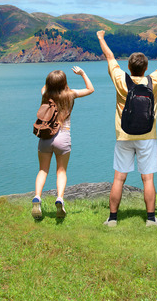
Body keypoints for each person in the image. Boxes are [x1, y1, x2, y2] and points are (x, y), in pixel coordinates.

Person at [97, 29, 157, 227]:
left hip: (123, 135)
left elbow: (109, 56)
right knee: (147, 179)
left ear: (128, 66)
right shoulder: (153, 81)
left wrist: (101, 38)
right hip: (147, 135)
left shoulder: (121, 79)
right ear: (146, 68)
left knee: (119, 178)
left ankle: (112, 219)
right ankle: (151, 219)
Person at [32, 66, 94, 220]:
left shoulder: (45, 94)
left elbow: (45, 86)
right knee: (61, 171)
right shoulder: (70, 95)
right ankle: (59, 198)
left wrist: (51, 82)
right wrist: (82, 73)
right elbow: (90, 89)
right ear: (64, 83)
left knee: (43, 170)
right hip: (63, 138)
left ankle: (37, 197)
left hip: (46, 137)